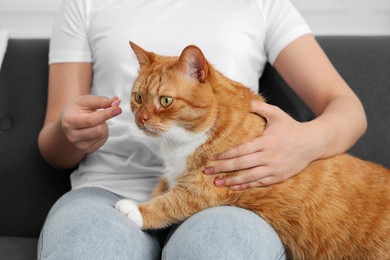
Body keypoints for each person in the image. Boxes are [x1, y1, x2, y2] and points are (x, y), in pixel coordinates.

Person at [37, 0, 367, 259]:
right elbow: (55, 149)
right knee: (88, 248)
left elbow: (348, 108)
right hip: (108, 190)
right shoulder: (85, 3)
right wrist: (71, 132)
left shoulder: (262, 4)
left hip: (227, 195)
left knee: (215, 249)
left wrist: (304, 142)